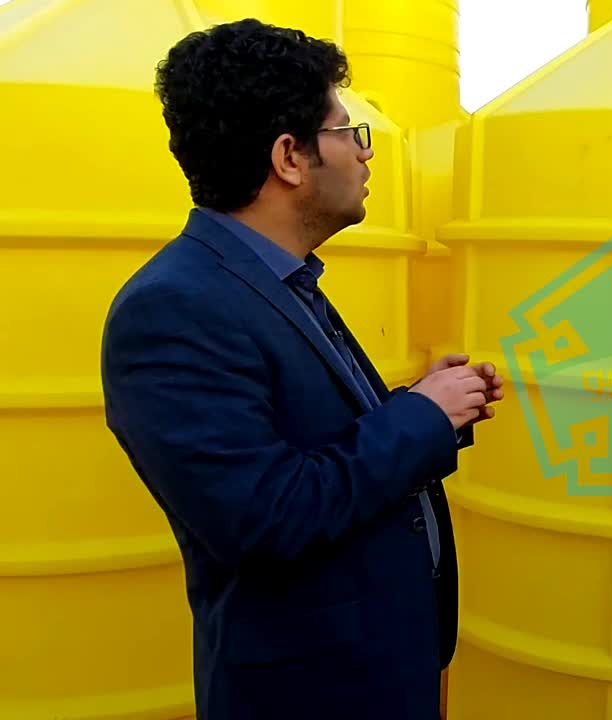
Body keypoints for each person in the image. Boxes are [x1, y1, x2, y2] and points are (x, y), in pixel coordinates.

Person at [99, 19, 499, 720]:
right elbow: (265, 517)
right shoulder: (173, 309)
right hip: (310, 690)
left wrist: (434, 407)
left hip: (380, 672)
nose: (365, 153)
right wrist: (420, 417)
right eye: (348, 133)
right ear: (289, 157)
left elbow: (310, 439)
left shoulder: (279, 280)